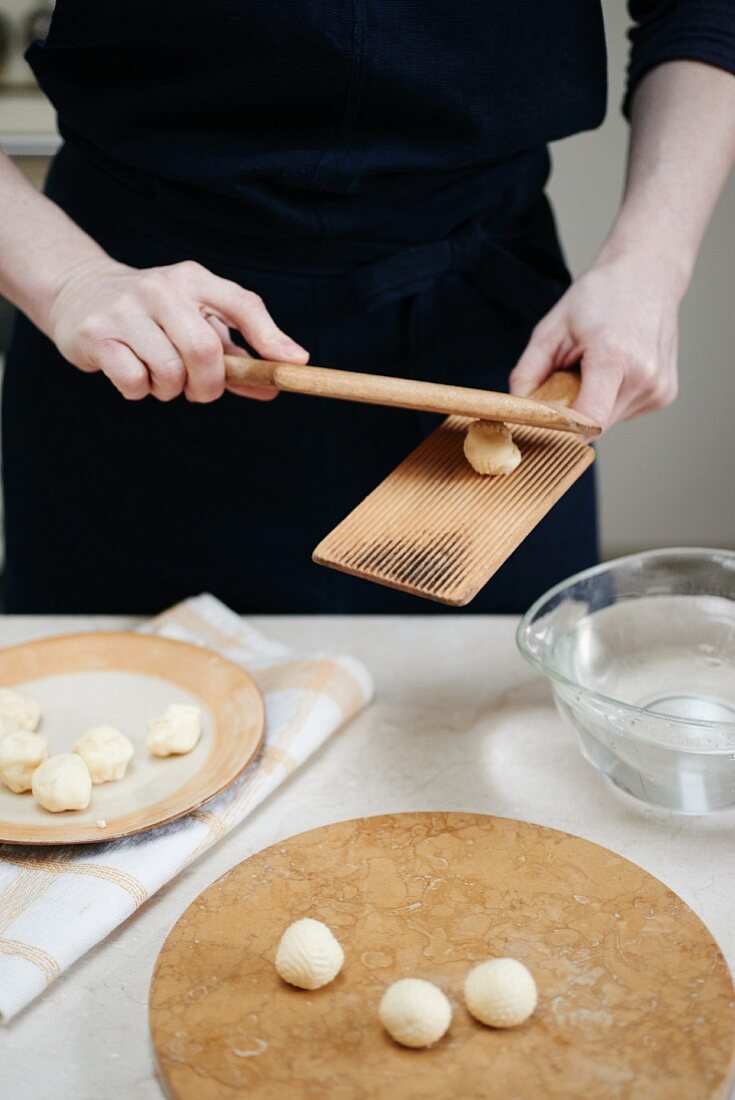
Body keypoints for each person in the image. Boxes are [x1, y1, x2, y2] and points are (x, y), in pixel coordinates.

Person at [1, 3, 734, 614]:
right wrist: (67, 279)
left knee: (489, 731)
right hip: (141, 326)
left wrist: (650, 263)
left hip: (484, 322)